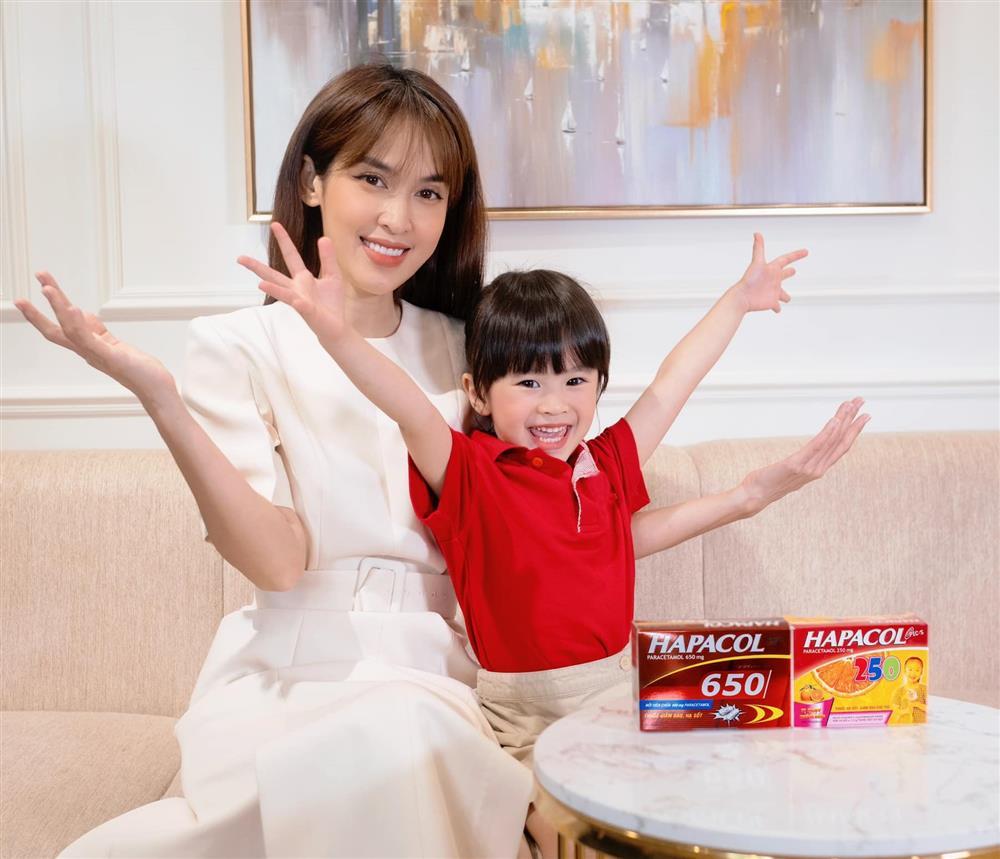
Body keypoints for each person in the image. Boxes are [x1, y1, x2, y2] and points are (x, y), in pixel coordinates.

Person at [15, 64, 536, 859]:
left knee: (406, 736)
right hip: (286, 677)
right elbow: (278, 563)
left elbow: (535, 522)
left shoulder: (475, 351)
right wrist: (162, 399)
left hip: (438, 675)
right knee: (377, 750)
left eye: (429, 192)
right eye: (373, 178)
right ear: (313, 181)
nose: (399, 217)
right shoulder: (238, 345)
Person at [252, 227, 867, 853]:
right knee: (574, 831)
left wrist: (738, 306)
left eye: (576, 381)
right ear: (477, 392)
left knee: (730, 794)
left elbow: (670, 385)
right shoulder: (471, 474)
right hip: (527, 718)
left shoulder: (606, 463)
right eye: (529, 383)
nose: (555, 405)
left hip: (622, 695)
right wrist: (334, 330)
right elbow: (405, 404)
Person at [891, 656, 928, 723]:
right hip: (904, 724)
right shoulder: (899, 691)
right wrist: (906, 711)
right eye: (910, 669)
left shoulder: (924, 689)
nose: (913, 673)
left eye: (917, 670)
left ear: (921, 672)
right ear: (905, 671)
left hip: (920, 724)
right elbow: (895, 710)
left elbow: (929, 707)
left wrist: (917, 704)